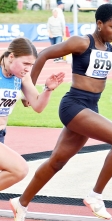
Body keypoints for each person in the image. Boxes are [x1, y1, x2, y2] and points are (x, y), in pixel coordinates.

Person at [9, 4, 112, 220]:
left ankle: (21, 203)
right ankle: (95, 196)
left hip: (90, 108)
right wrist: (31, 90)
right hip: (74, 106)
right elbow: (45, 53)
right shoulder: (81, 42)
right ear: (99, 24)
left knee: (56, 161)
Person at [0, 37, 65, 192]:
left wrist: (48, 89)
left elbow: (37, 105)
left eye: (31, 65)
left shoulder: (22, 77)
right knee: (19, 169)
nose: (28, 69)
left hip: (1, 134)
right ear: (11, 57)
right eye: (25, 63)